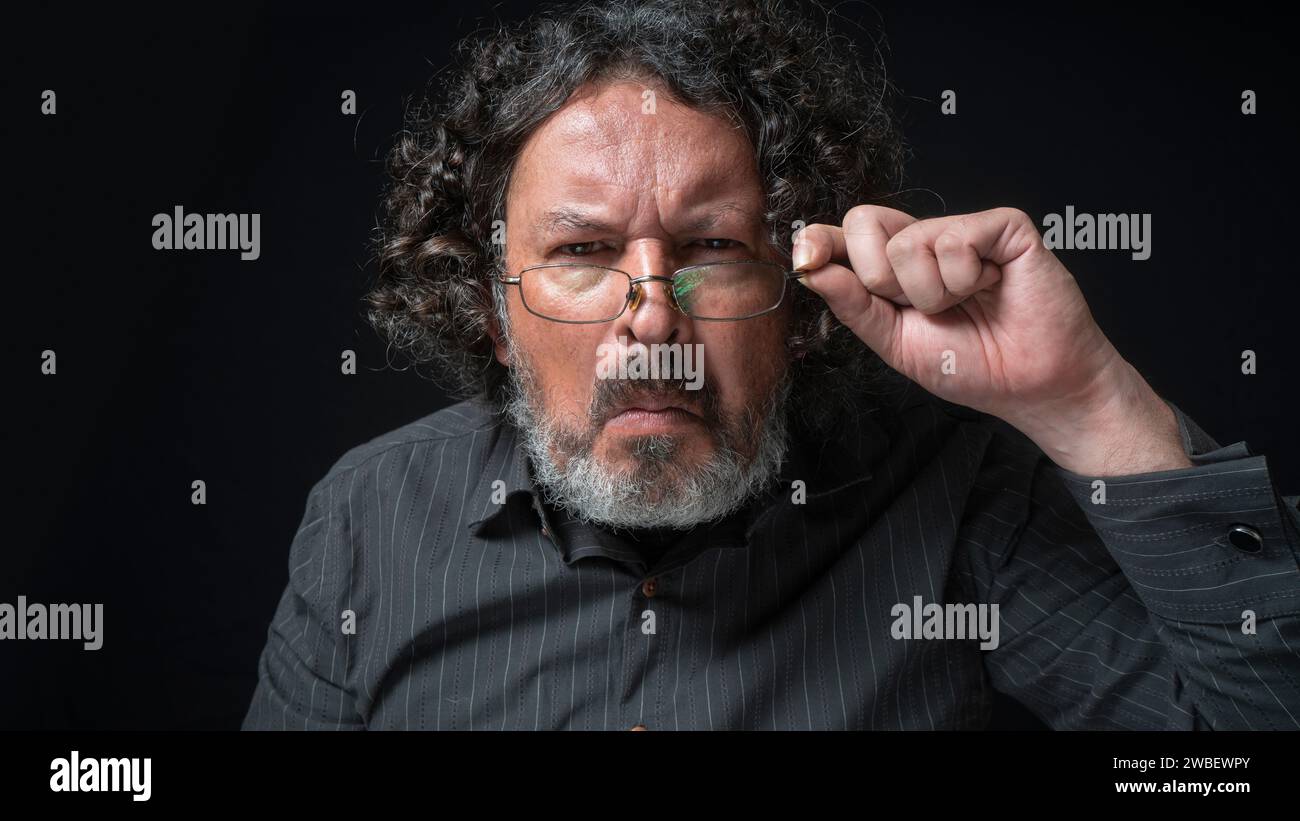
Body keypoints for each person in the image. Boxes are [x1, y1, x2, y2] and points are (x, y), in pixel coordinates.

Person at [242, 0, 1300, 730]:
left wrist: (1090, 403)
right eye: (580, 252)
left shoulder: (952, 494)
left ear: (802, 296)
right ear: (488, 304)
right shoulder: (365, 519)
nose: (651, 321)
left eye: (712, 247)